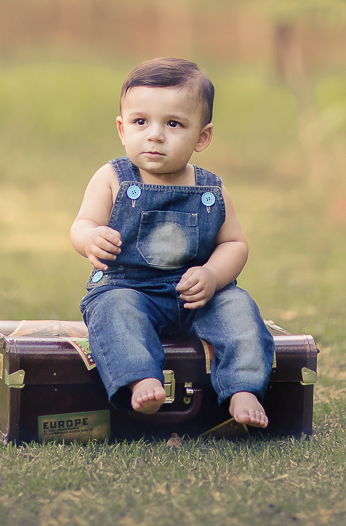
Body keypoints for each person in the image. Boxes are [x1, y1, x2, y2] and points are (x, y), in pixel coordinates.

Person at [70, 57, 275, 428]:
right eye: (140, 122)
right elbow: (82, 223)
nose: (155, 134)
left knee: (239, 310)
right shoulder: (112, 178)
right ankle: (142, 378)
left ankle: (243, 387)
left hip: (197, 295)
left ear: (202, 137)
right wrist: (90, 239)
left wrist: (213, 275)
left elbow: (235, 244)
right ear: (122, 128)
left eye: (174, 124)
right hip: (128, 288)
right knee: (114, 312)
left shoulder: (210, 189)